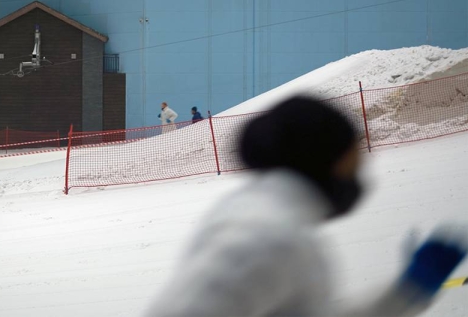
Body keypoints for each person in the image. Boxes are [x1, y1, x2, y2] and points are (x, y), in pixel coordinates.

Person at [143, 95, 467, 316]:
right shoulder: (266, 236)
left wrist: (406, 294)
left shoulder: (271, 219)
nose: (359, 170)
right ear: (327, 158)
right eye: (356, 156)